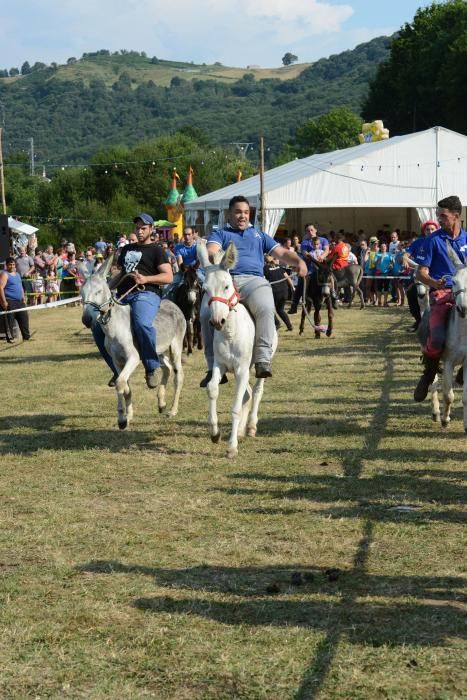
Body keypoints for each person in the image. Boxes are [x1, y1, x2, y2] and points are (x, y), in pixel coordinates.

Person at [199, 195, 307, 386]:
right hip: (226, 282)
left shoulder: (259, 235)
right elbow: (212, 249)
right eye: (238, 212)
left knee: (266, 306)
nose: (243, 216)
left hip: (254, 281)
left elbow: (281, 253)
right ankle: (212, 367)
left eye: (246, 212)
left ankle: (262, 359)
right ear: (229, 214)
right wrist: (213, 254)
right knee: (205, 313)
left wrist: (298, 261)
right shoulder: (220, 234)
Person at [107, 213, 173, 388]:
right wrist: (106, 289)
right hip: (122, 295)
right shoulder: (128, 249)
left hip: (146, 294)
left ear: (151, 229)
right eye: (137, 228)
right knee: (98, 325)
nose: (140, 231)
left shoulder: (157, 250)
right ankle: (116, 370)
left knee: (142, 322)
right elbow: (120, 273)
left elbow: (168, 276)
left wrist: (146, 279)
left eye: (143, 228)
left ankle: (151, 366)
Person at [412, 196, 467, 401]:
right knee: (435, 338)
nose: (439, 219)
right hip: (443, 294)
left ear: (456, 216)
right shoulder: (432, 241)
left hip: (466, 292)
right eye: (438, 215)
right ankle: (428, 373)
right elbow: (421, 273)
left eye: (443, 216)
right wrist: (435, 284)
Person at [404, 220, 439, 331]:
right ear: (424, 231)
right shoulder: (417, 242)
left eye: (432, 229)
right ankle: (419, 321)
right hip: (420, 276)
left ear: (436, 230)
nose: (430, 231)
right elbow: (406, 255)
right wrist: (405, 258)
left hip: (436, 277)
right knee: (411, 293)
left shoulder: (441, 242)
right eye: (427, 229)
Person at [289, 223, 329, 313]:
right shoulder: (304, 242)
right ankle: (295, 304)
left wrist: (322, 256)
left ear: (315, 230)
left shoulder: (323, 240)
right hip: (309, 268)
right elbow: (304, 253)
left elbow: (327, 250)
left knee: (332, 278)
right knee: (300, 283)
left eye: (311, 230)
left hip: (322, 269)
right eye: (308, 230)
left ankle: (334, 295)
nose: (310, 232)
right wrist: (313, 258)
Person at [0, 257, 32, 341]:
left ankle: (26, 337)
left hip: (20, 301)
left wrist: (23, 297)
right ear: (6, 265)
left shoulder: (17, 274)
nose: (12, 266)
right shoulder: (4, 274)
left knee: (24, 318)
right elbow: (1, 288)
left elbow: (20, 287)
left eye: (13, 264)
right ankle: (10, 338)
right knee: (10, 320)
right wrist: (4, 301)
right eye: (10, 264)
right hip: (10, 301)